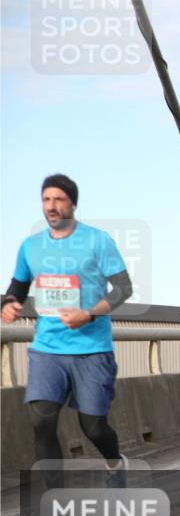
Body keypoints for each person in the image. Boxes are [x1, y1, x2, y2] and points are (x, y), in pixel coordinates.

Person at [2, 174, 133, 487]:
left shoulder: (97, 241)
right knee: (42, 423)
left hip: (92, 349)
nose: (51, 206)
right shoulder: (31, 246)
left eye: (58, 199)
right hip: (47, 349)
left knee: (94, 427)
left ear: (72, 203)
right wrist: (8, 304)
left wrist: (88, 314)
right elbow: (17, 287)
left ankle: (114, 463)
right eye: (46, 199)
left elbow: (123, 288)